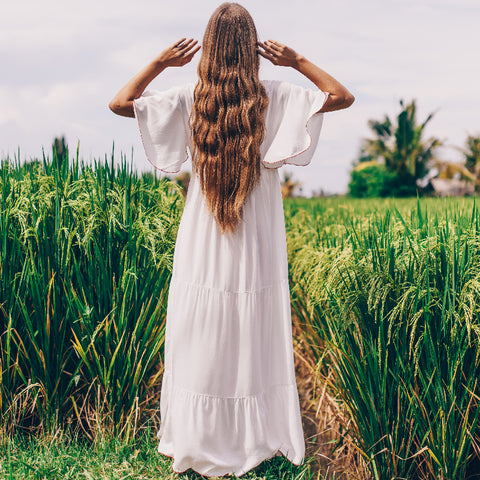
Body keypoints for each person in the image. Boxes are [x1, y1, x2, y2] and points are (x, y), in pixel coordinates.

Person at [109, 3, 354, 477]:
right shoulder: (275, 93)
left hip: (204, 237)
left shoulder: (190, 96)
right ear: (253, 48)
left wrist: (161, 63)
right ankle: (250, 436)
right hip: (257, 236)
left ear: (210, 47)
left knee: (202, 332)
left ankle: (200, 436)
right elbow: (340, 96)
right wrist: (297, 59)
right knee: (249, 329)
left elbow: (120, 103)